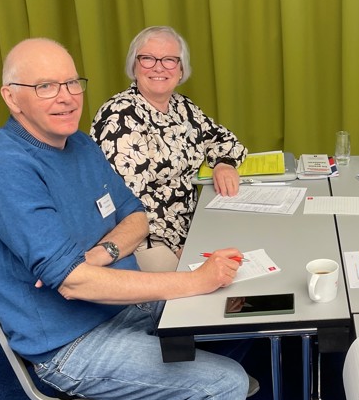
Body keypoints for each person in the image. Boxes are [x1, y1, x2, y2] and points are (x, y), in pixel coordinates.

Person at [0, 38, 249, 400]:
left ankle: (189, 398)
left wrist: (99, 254)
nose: (66, 97)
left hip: (115, 306)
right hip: (70, 344)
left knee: (235, 304)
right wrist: (192, 280)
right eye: (46, 86)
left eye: (72, 83)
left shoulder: (78, 144)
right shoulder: (2, 170)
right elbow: (74, 285)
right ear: (12, 98)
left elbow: (136, 217)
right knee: (224, 385)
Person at [91, 26, 247, 271]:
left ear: (181, 69)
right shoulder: (120, 116)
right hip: (147, 241)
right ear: (134, 66)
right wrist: (179, 248)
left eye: (169, 60)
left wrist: (223, 164)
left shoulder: (182, 107)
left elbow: (223, 139)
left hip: (194, 225)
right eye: (148, 58)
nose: (159, 67)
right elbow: (129, 203)